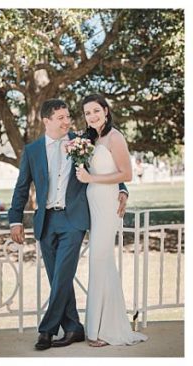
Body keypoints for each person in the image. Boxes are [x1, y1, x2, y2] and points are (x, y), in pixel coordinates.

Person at [7, 99, 128, 351]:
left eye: (67, 116)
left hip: (73, 220)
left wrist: (123, 189)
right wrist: (15, 220)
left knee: (62, 275)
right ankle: (73, 327)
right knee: (57, 278)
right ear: (46, 121)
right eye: (60, 117)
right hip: (45, 221)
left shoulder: (82, 140)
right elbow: (21, 188)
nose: (67, 121)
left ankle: (46, 331)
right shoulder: (32, 151)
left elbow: (110, 167)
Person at [75, 94, 147, 347]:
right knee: (103, 263)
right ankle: (106, 325)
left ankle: (100, 331)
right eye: (87, 113)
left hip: (107, 202)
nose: (92, 116)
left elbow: (125, 173)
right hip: (93, 201)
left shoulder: (115, 137)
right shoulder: (90, 139)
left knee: (99, 260)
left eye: (96, 111)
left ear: (105, 110)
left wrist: (95, 181)